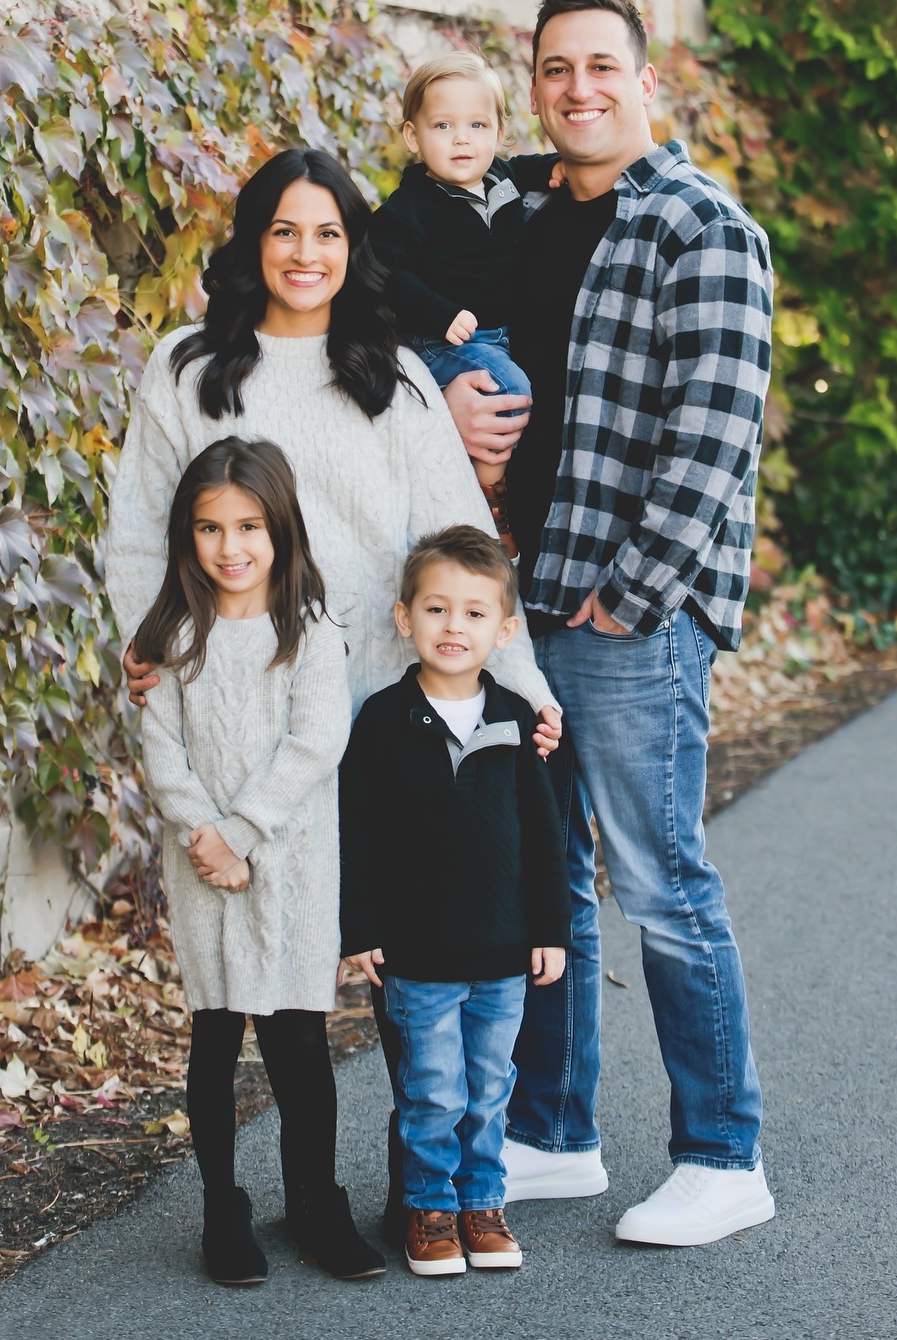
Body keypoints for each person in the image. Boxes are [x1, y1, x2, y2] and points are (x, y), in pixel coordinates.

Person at [107, 146, 562, 1244]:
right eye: (284, 231)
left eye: (327, 234)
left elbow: (456, 534)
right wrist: (148, 653)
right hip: (244, 721)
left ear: (355, 248)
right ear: (252, 243)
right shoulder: (186, 368)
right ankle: (286, 1197)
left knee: (418, 953)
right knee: (272, 971)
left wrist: (520, 681)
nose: (304, 254)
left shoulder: (393, 378)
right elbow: (138, 536)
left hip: (388, 711)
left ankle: (429, 1190)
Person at [442, 0, 778, 1248]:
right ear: (534, 86)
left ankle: (724, 1155)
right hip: (520, 603)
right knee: (549, 885)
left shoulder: (704, 228)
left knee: (661, 880)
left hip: (626, 614)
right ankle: (554, 1135)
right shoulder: (518, 210)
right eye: (554, 69)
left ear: (646, 80)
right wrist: (448, 394)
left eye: (599, 66)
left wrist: (628, 595)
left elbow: (714, 438)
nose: (577, 88)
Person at [127, 435, 381, 1284]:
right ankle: (222, 1209)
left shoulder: (307, 629)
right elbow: (163, 753)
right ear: (186, 535)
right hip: (201, 865)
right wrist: (205, 833)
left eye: (247, 528)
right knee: (214, 1036)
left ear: (280, 530)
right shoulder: (172, 635)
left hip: (292, 860)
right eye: (209, 529)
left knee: (298, 1040)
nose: (229, 547)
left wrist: (240, 832)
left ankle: (316, 1202)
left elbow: (316, 742)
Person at [338, 526, 570, 1277]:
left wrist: (551, 929)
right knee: (433, 1092)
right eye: (436, 609)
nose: (453, 626)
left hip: (503, 954)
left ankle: (483, 1205)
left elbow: (546, 838)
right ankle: (429, 1207)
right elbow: (358, 832)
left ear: (504, 630)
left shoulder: (516, 719)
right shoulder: (383, 719)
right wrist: (360, 928)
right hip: (419, 957)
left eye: (474, 613)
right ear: (404, 618)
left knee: (490, 1088)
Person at [370, 52, 555, 550]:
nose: (461, 139)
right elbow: (386, 270)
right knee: (510, 389)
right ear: (414, 137)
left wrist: (556, 168)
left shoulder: (503, 180)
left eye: (477, 125)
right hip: (440, 339)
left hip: (496, 335)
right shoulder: (411, 208)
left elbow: (529, 168)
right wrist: (439, 311)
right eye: (443, 125)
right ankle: (489, 502)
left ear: (498, 132)